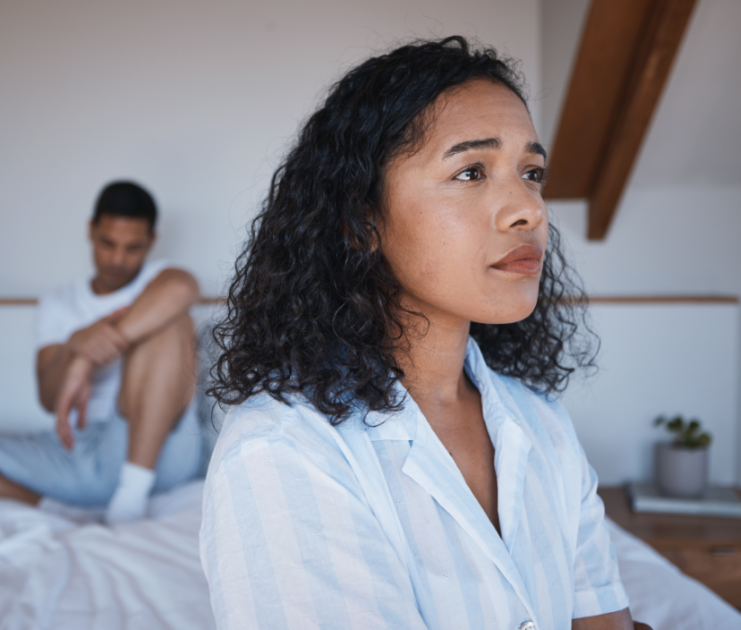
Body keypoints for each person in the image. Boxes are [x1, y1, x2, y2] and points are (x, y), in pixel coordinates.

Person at [201, 38, 651, 629]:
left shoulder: (540, 423)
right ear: (361, 222)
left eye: (532, 173)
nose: (530, 210)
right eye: (470, 171)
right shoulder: (282, 452)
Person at [0, 181, 202, 525]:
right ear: (90, 231)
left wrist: (88, 358)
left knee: (173, 322)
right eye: (107, 243)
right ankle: (55, 512)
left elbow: (182, 288)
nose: (118, 259)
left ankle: (130, 496)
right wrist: (75, 346)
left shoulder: (158, 279)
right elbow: (48, 399)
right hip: (74, 453)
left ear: (151, 242)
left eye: (133, 247)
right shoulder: (59, 303)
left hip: (151, 451)